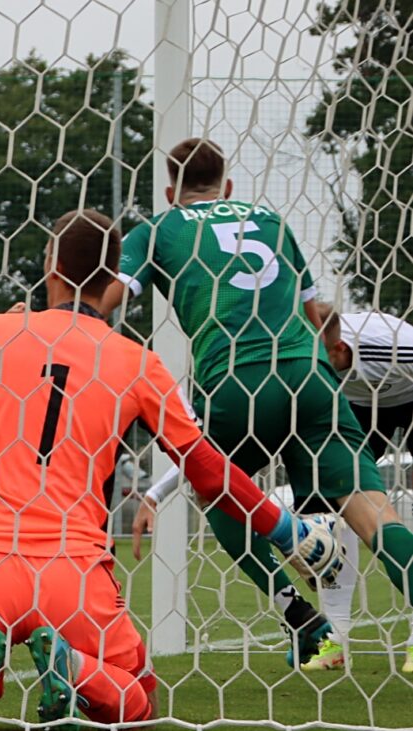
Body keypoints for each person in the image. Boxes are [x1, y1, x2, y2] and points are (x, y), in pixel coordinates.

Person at [0, 210, 340, 727]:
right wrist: (288, 530)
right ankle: (77, 671)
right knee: (137, 700)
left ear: (50, 267)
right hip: (74, 576)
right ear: (113, 278)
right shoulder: (135, 360)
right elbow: (206, 470)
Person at [101, 137, 413, 666]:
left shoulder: (157, 228)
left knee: (220, 490)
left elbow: (105, 300)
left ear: (171, 189)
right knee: (370, 505)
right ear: (227, 186)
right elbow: (315, 316)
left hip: (236, 377)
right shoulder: (271, 221)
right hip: (310, 373)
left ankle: (300, 615)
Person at [135, 303, 413, 672]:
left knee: (371, 510)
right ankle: (333, 636)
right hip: (351, 403)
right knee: (332, 510)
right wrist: (158, 491)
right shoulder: (291, 364)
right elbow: (206, 455)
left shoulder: (392, 346)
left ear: (339, 349)